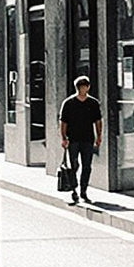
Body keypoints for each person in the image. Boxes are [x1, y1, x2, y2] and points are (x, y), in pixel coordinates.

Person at [58, 74, 103, 204]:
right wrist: (63, 138)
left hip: (88, 138)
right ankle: (73, 188)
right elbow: (63, 122)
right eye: (80, 87)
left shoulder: (93, 103)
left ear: (88, 88)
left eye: (84, 87)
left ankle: (84, 190)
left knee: (87, 166)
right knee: (73, 165)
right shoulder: (68, 103)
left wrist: (99, 136)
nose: (82, 89)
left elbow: (98, 121)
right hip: (73, 139)